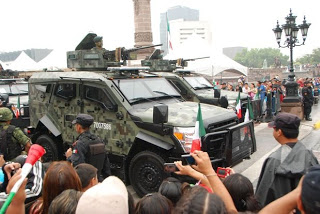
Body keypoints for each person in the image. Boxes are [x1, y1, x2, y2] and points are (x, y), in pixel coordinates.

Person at [255, 113, 318, 207]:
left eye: (274, 129)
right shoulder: (310, 156)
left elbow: (262, 197)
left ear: (279, 132)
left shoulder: (274, 160)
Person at [65, 114, 111, 180]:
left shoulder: (80, 144)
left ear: (79, 127)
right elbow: (106, 165)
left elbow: (78, 167)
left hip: (86, 183)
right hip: (97, 180)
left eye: (76, 125)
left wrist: (69, 157)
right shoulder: (99, 140)